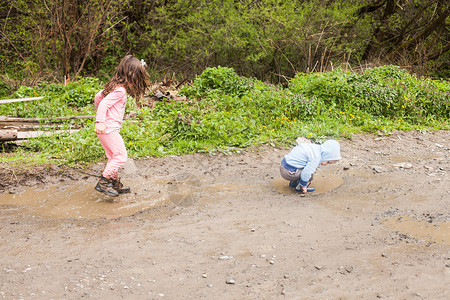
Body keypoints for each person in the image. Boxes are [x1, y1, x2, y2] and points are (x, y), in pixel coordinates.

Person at [94, 55, 149, 197]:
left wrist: (102, 117)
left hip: (106, 130)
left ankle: (113, 182)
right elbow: (104, 103)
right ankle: (104, 182)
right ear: (130, 76)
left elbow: (98, 96)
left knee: (113, 157)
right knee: (120, 156)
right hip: (109, 130)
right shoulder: (120, 91)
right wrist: (100, 121)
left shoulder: (115, 87)